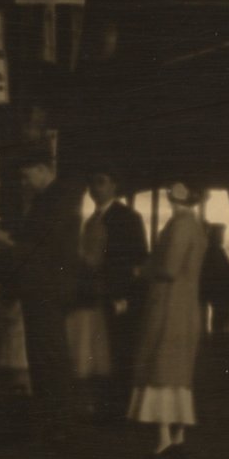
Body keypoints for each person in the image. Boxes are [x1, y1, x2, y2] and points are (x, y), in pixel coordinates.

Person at [129, 178, 213, 459]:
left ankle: (164, 436)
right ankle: (178, 435)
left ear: (176, 199)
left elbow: (168, 267)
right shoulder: (198, 228)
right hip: (187, 306)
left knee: (161, 366)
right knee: (179, 372)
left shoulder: (179, 226)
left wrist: (142, 270)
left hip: (168, 303)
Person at [12, 152, 88, 448]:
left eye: (28, 174)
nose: (25, 181)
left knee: (49, 356)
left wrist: (7, 244)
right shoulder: (60, 197)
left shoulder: (55, 199)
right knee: (47, 355)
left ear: (43, 169)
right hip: (48, 287)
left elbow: (45, 246)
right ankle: (54, 422)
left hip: (46, 288)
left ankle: (58, 424)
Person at [80, 171, 149, 415]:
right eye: (91, 184)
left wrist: (124, 295)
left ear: (114, 186)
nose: (95, 189)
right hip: (96, 295)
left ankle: (118, 408)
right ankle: (103, 405)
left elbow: (138, 259)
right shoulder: (91, 220)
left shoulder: (128, 217)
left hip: (117, 295)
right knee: (100, 351)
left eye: (101, 182)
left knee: (118, 349)